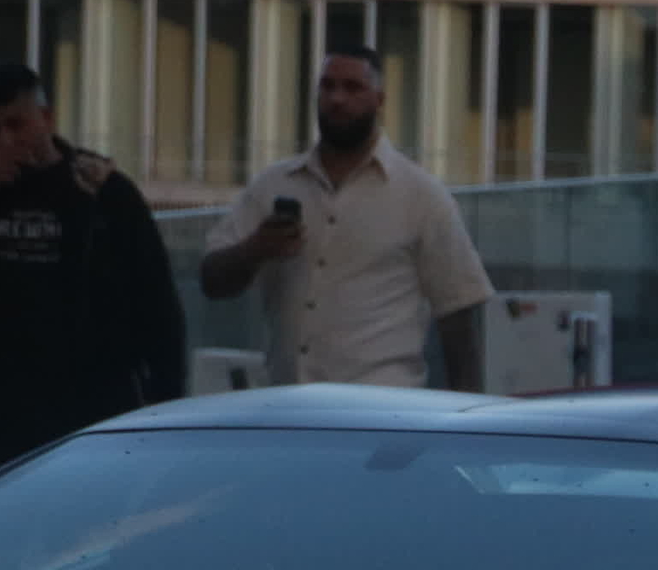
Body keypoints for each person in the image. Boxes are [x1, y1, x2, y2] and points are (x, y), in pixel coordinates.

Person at [0, 63, 186, 495]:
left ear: (46, 119)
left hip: (81, 405)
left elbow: (156, 300)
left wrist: (164, 403)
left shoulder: (101, 191)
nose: (5, 141)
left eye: (16, 125)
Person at [200, 47, 491, 391]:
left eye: (353, 88)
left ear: (379, 100)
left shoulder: (421, 194)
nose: (337, 99)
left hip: (380, 407)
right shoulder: (275, 183)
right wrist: (256, 248)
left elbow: (457, 316)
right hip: (288, 404)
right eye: (328, 86)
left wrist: (462, 423)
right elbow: (211, 280)